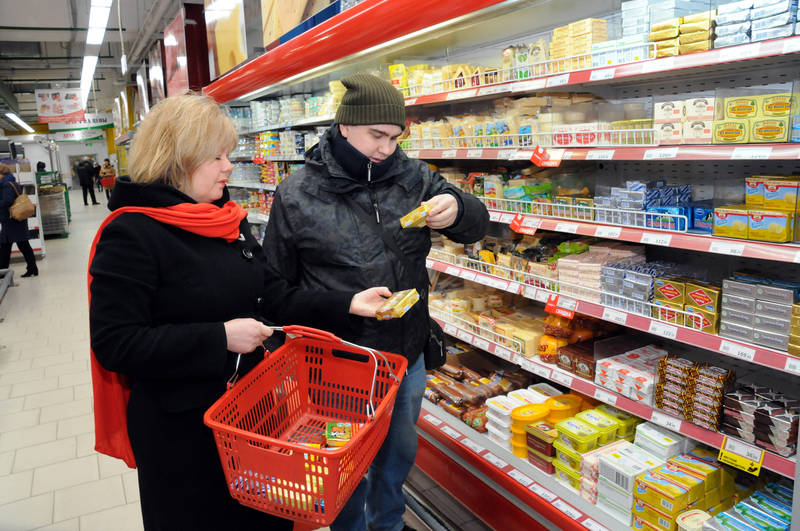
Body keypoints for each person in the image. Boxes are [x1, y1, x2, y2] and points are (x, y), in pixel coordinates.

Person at [88, 93, 392, 531]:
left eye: (229, 155)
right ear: (178, 159)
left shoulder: (225, 218)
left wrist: (346, 303)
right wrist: (219, 337)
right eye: (217, 157)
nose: (229, 167)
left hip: (256, 417)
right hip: (185, 436)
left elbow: (272, 295)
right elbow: (116, 344)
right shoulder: (132, 234)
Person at [262, 73, 489, 531]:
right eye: (376, 136)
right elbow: (273, 295)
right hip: (337, 369)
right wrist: (344, 303)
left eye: (395, 137)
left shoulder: (415, 178)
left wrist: (458, 208)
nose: (387, 148)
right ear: (345, 126)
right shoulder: (297, 193)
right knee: (343, 466)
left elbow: (476, 226)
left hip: (405, 357)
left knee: (397, 458)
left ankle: (388, 524)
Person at [0, 163, 38, 277]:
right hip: (14, 221)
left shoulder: (6, 184)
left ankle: (3, 271)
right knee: (21, 245)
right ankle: (32, 269)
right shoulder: (10, 182)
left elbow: (7, 201)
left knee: (8, 246)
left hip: (12, 221)